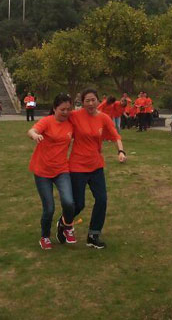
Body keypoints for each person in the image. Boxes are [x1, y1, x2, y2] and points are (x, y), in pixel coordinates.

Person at [68, 89, 127, 249]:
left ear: (98, 100)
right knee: (78, 204)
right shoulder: (74, 115)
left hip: (96, 166)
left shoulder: (103, 118)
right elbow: (57, 118)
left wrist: (121, 151)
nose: (91, 103)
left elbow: (115, 135)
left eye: (93, 100)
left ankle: (93, 235)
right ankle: (64, 223)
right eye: (87, 100)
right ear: (82, 102)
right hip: (77, 166)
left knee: (101, 200)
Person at [27, 93, 77, 250]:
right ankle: (45, 236)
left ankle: (67, 227)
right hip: (42, 171)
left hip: (62, 169)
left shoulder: (71, 124)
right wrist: (35, 135)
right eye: (62, 109)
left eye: (68, 109)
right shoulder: (47, 121)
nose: (66, 112)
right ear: (55, 108)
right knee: (49, 208)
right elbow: (32, 130)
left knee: (69, 202)